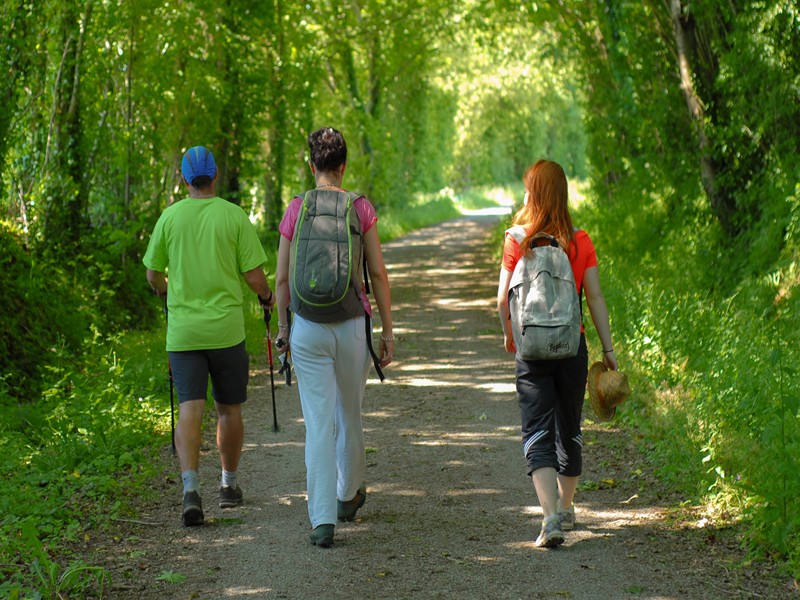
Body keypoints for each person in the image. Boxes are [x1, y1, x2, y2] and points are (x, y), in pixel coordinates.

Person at [274, 127, 393, 548]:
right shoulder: (360, 208)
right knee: (349, 414)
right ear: (343, 167)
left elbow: (283, 279)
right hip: (350, 327)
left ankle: (322, 519)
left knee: (319, 425)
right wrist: (388, 332)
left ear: (312, 165)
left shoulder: (297, 209)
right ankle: (347, 497)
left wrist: (283, 332)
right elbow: (377, 273)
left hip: (307, 327)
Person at [143, 146, 275, 527]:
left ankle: (189, 491)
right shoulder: (233, 216)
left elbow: (152, 274)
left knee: (190, 409)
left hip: (183, 334)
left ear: (184, 179)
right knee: (228, 410)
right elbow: (254, 276)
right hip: (226, 332)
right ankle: (228, 486)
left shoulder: (169, 218)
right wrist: (266, 297)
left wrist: (165, 289)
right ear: (215, 176)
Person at [496, 159, 618, 548]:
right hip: (572, 347)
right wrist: (609, 349)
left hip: (531, 348)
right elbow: (595, 297)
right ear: (563, 193)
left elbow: (502, 299)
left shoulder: (517, 239)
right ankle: (566, 506)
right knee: (570, 427)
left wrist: (509, 336)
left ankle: (549, 519)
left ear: (533, 192)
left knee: (536, 429)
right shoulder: (580, 240)